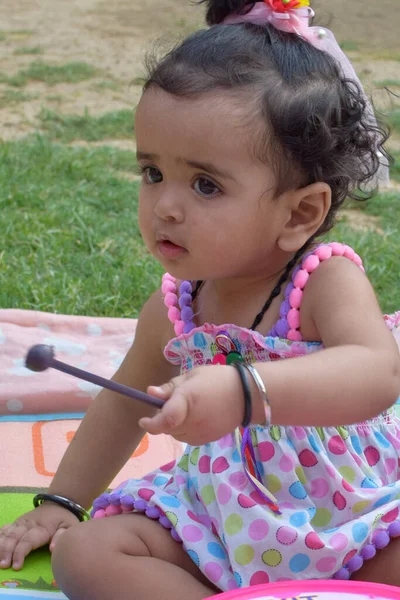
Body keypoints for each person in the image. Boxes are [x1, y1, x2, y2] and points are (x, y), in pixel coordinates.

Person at [1, 0, 400, 598]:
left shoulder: (322, 281)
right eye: (152, 172)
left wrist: (246, 393)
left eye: (206, 184)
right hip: (222, 518)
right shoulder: (175, 308)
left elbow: (376, 371)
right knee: (85, 553)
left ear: (301, 213)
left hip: (354, 516)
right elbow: (116, 408)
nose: (165, 205)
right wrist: (63, 501)